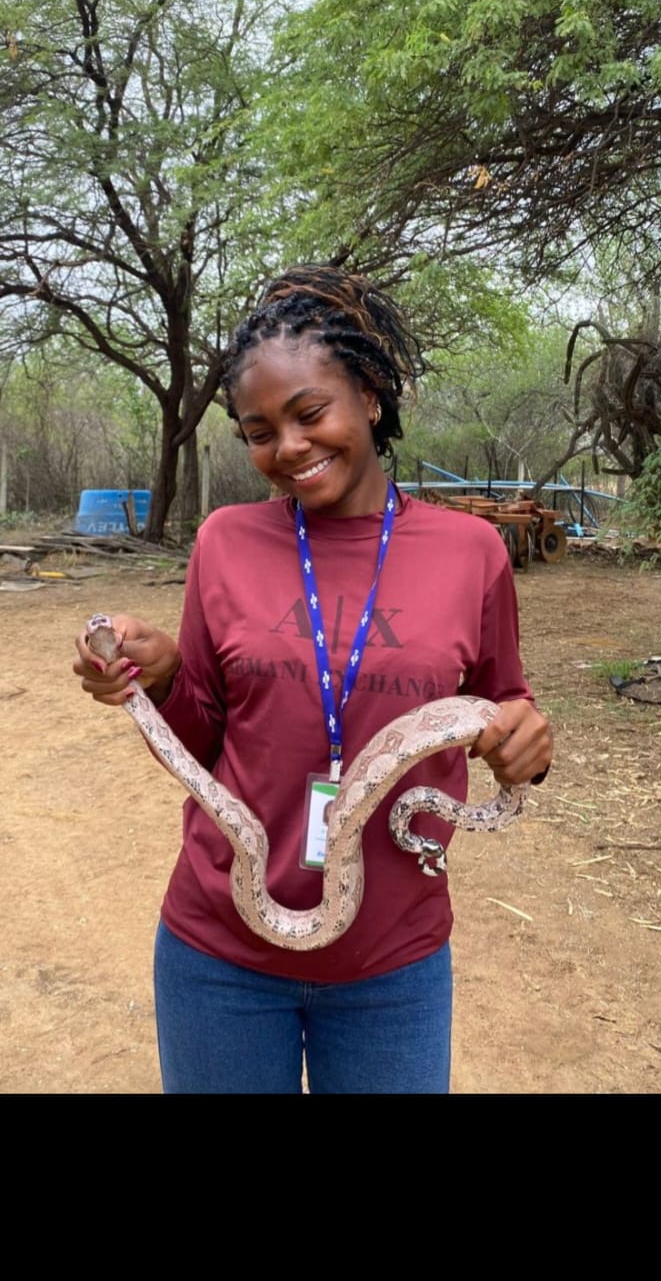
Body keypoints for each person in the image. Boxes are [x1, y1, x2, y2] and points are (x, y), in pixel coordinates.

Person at [74, 265, 552, 1094]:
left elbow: (507, 702)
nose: (287, 447)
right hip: (219, 956)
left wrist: (526, 747)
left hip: (390, 968)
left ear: (369, 395)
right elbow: (209, 732)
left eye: (308, 413)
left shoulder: (470, 552)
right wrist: (156, 677)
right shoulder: (226, 540)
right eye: (258, 431)